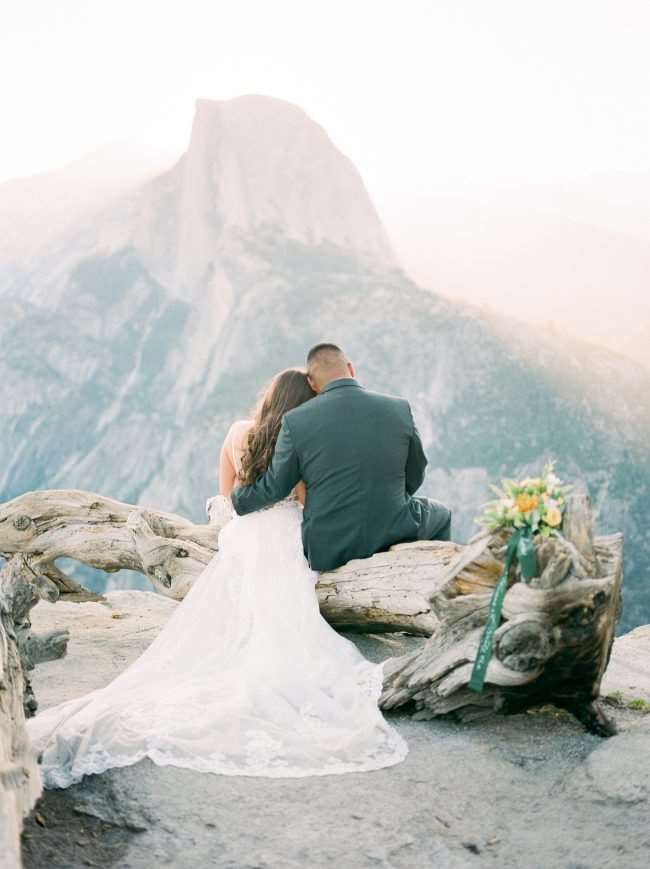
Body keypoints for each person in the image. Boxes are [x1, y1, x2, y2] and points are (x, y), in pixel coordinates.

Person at [26, 366, 407, 788]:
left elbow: (225, 501)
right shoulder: (302, 442)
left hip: (243, 538)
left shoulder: (238, 432)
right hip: (283, 537)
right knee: (289, 618)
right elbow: (307, 505)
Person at [231, 343, 451, 570]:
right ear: (350, 368)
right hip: (393, 531)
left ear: (311, 382)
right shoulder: (398, 408)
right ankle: (436, 583)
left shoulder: (295, 422)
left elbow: (274, 487)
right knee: (442, 514)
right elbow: (416, 470)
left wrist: (238, 499)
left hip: (328, 548)